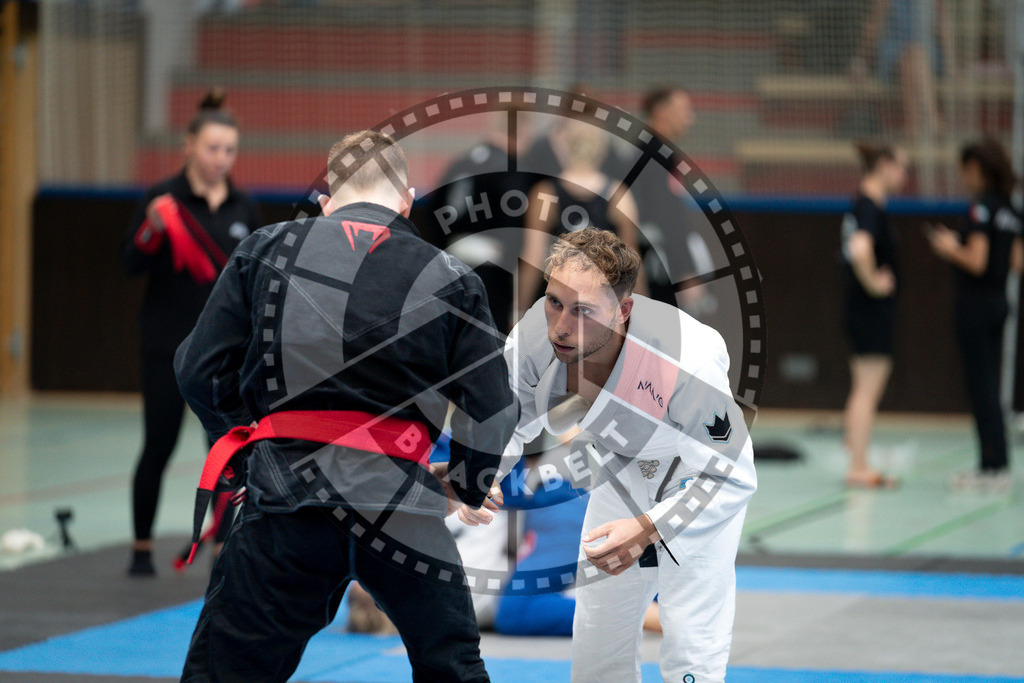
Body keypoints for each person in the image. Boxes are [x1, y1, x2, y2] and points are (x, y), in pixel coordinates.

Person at [174, 130, 517, 681]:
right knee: (451, 666)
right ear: (407, 199)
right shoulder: (452, 277)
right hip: (400, 505)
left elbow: (196, 368)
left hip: (286, 498)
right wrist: (465, 483)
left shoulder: (265, 250)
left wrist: (243, 443)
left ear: (327, 203)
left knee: (227, 670)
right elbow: (494, 409)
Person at [461, 229, 756, 682]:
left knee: (691, 640)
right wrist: (483, 475)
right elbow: (504, 419)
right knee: (598, 637)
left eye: (583, 311)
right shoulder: (535, 338)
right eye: (554, 301)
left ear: (623, 311)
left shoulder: (686, 359)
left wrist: (647, 528)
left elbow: (731, 476)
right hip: (622, 469)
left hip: (693, 476)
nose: (561, 324)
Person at [121, 89, 261, 576]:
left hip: (223, 357)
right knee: (157, 444)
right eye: (211, 148)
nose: (220, 159)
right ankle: (140, 549)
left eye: (229, 150)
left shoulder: (245, 207)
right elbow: (130, 263)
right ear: (188, 146)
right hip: (165, 346)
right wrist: (152, 230)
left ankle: (223, 549)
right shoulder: (162, 200)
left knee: (224, 450)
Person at [928, 137, 1022, 493]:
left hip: (976, 306)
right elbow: (1016, 262)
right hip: (999, 304)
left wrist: (952, 248)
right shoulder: (1010, 210)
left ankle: (991, 467)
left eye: (967, 170)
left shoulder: (980, 209)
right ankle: (998, 464)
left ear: (979, 170)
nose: (964, 177)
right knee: (991, 386)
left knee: (980, 387)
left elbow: (977, 261)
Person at [518, 120, 644, 316]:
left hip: (558, 305)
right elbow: (632, 260)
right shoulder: (619, 195)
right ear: (600, 150)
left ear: (563, 149)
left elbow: (533, 255)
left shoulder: (545, 194)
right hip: (599, 306)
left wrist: (519, 308)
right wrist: (645, 312)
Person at [840, 141, 908, 488]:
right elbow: (860, 248)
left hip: (862, 309)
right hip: (869, 309)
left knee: (863, 387)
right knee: (866, 389)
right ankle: (859, 466)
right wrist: (875, 283)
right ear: (883, 164)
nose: (905, 175)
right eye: (901, 166)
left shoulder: (864, 203)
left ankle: (859, 461)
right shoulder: (868, 206)